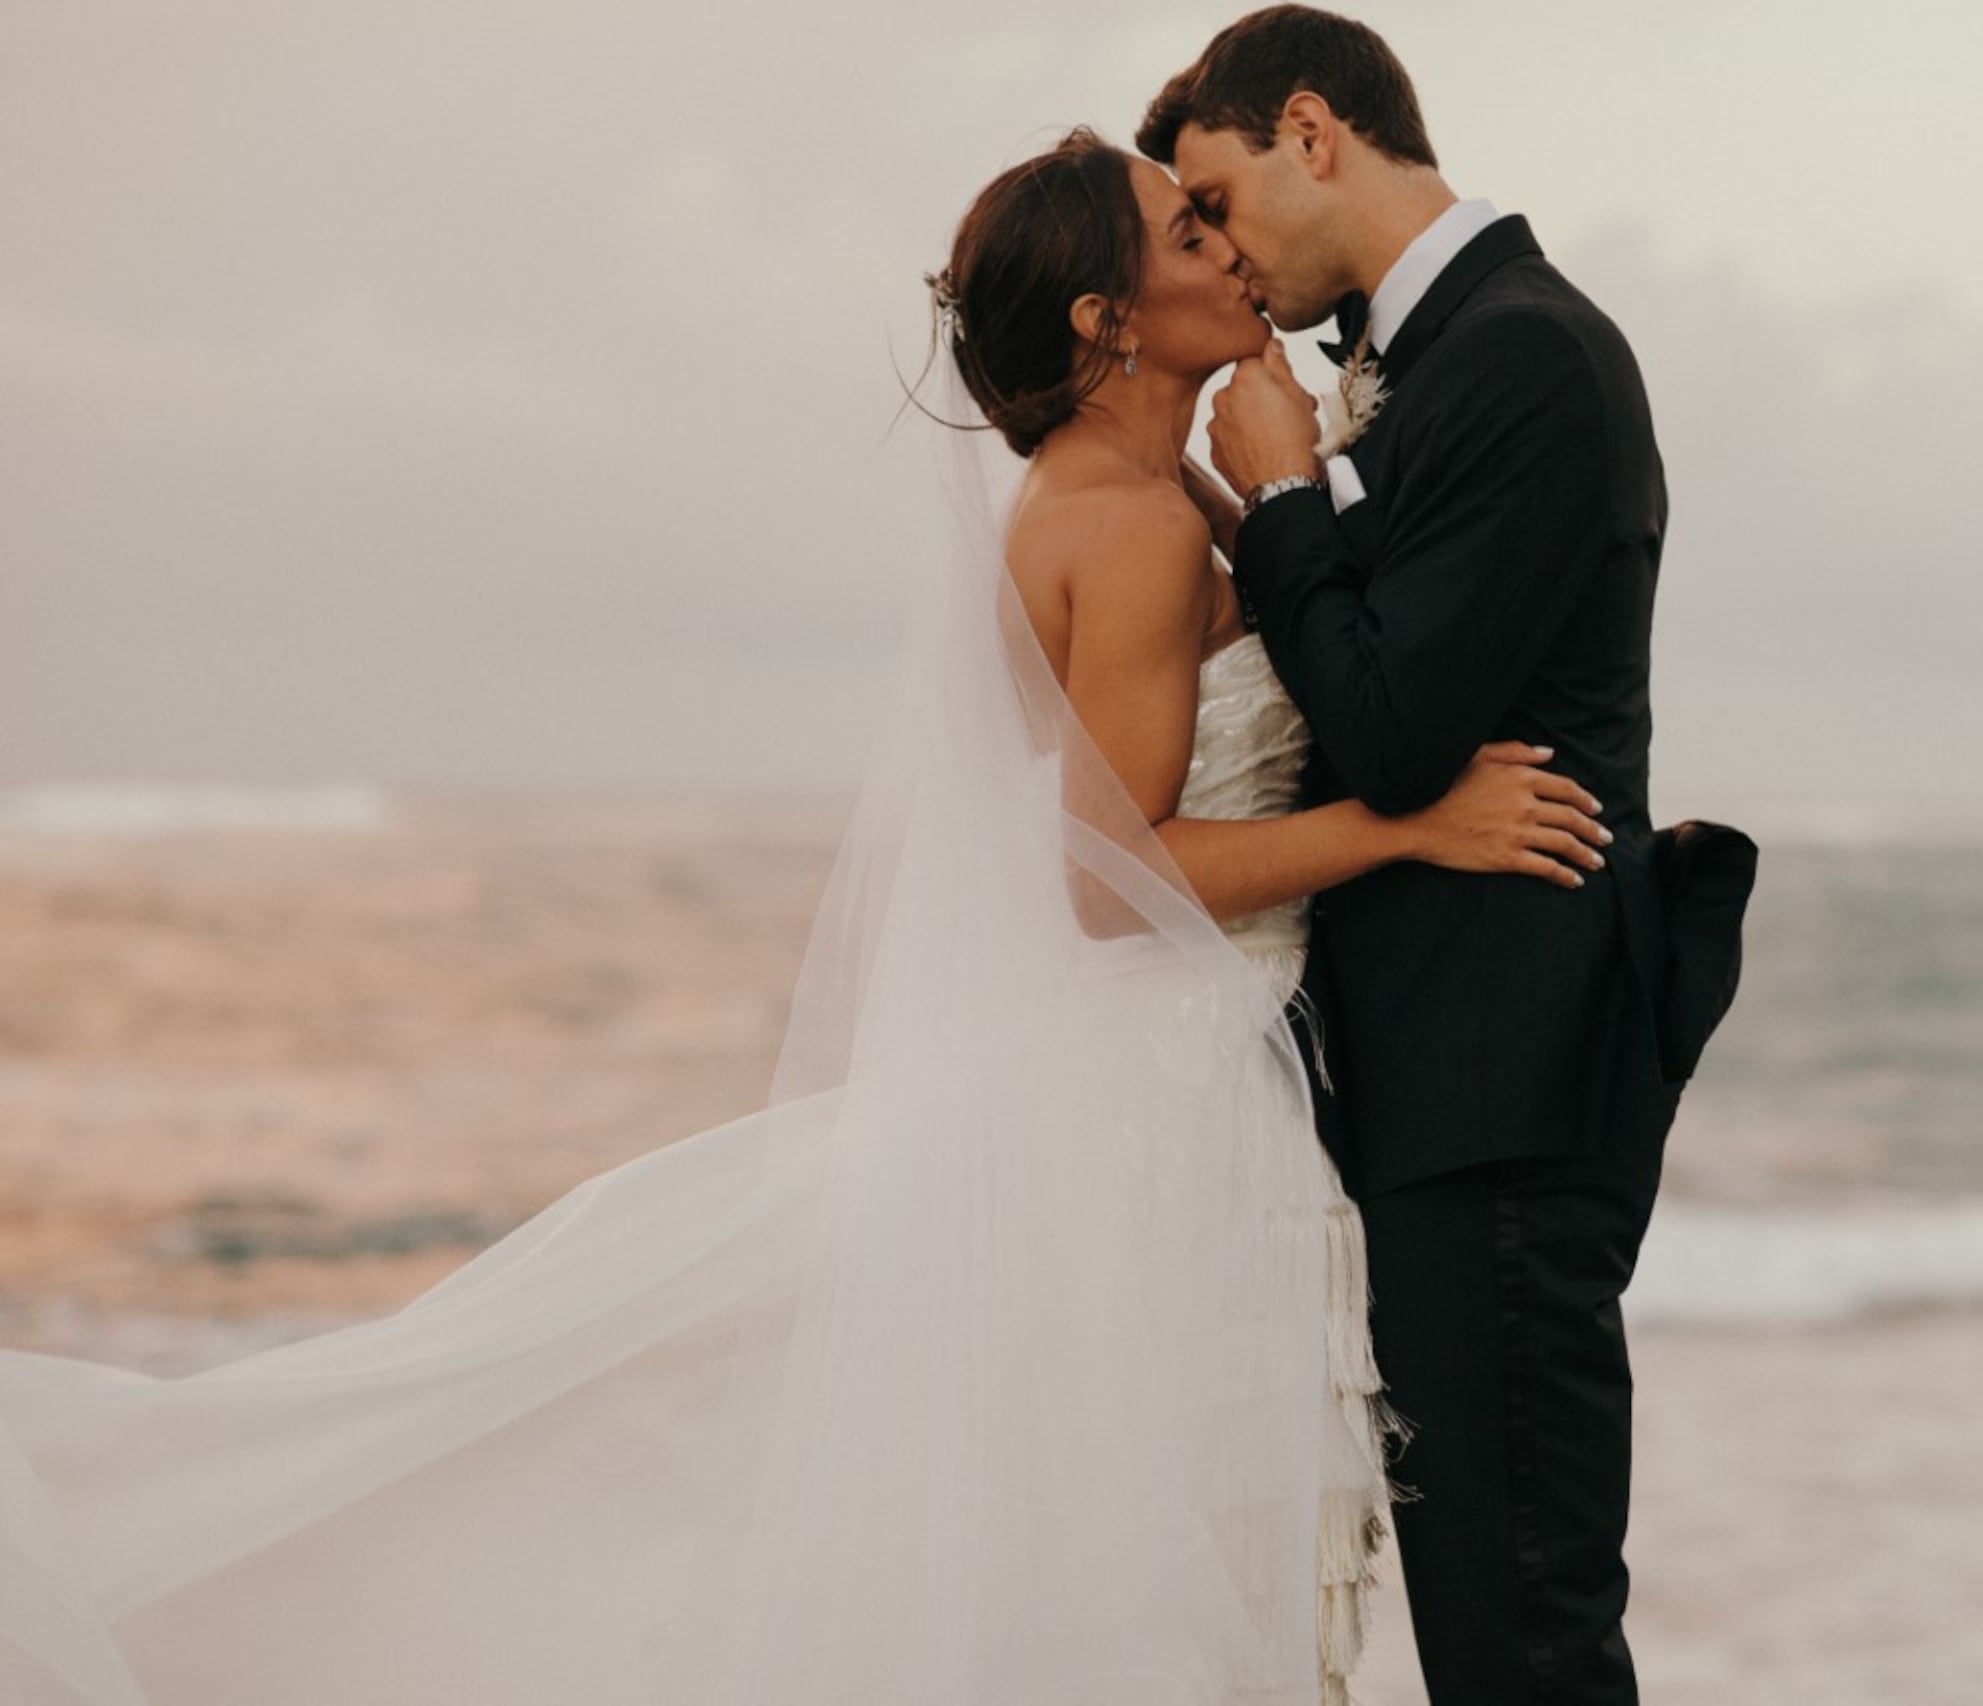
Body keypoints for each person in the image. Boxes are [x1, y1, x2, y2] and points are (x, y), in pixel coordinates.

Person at [0, 125, 1621, 1703]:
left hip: (1185, 1071)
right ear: (1105, 318)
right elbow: (1111, 875)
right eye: (1186, 231)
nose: (1228, 247)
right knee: (1168, 1566)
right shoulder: (1120, 521)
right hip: (1163, 1105)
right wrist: (1406, 821)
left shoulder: (1150, 484)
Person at [1139, 8, 1758, 1702]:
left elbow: (1403, 729)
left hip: (1505, 1082)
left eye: (1221, 195)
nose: (1227, 253)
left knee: (1526, 1642)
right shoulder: (1437, 358)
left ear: (1314, 132)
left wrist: (1279, 500)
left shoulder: (1528, 355)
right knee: (1493, 1632)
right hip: (1435, 1087)